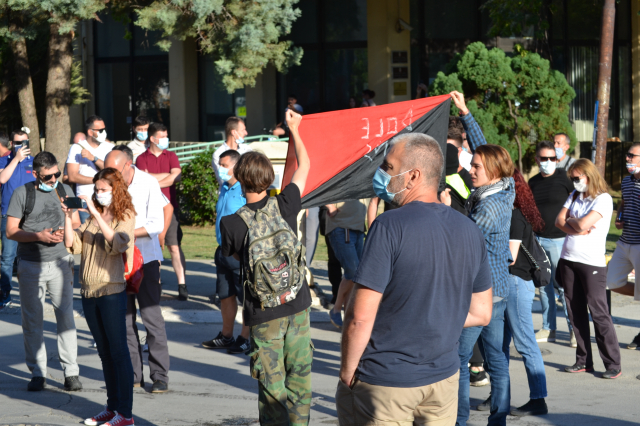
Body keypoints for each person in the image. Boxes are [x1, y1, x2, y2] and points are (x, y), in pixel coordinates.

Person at [337, 133, 493, 425]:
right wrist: (432, 318)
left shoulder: (387, 225)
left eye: (389, 166)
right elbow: (481, 312)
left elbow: (359, 316)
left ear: (413, 177)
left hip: (385, 382)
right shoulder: (469, 229)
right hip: (442, 382)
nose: (381, 172)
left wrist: (347, 372)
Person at [220, 109, 312, 424]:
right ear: (268, 178)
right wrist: (294, 129)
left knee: (272, 387)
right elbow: (306, 165)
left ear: (239, 179)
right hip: (297, 305)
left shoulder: (232, 224)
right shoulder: (287, 203)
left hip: (263, 312)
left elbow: (234, 258)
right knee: (300, 383)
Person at [445, 144, 515, 426]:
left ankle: (460, 421)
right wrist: (465, 114)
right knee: (496, 358)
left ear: (494, 171)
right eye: (471, 164)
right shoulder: (505, 187)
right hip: (497, 289)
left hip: (481, 293)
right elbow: (487, 146)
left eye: (477, 167)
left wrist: (446, 210)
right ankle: (498, 420)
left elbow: (463, 240)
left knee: (460, 360)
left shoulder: (488, 205)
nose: (469, 170)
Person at [63, 168, 136, 426]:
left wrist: (96, 214)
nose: (98, 194)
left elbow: (118, 244)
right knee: (104, 352)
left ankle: (125, 414)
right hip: (88, 290)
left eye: (103, 190)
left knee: (118, 352)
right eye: (96, 189)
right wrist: (69, 217)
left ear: (115, 189)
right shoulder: (93, 217)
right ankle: (111, 406)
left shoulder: (125, 214)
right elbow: (74, 244)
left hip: (111, 289)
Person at [6, 151, 82, 392]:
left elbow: (78, 222)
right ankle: (38, 373)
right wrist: (37, 236)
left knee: (66, 317)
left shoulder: (65, 190)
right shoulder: (22, 193)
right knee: (32, 320)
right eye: (48, 177)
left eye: (57, 174)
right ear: (35, 173)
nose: (54, 180)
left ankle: (71, 372)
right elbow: (10, 231)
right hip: (30, 264)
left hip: (61, 262)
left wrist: (64, 225)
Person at [104, 145, 171, 394]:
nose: (109, 173)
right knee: (125, 319)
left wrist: (123, 235)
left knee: (152, 318)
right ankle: (134, 374)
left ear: (128, 164)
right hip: (116, 259)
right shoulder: (108, 184)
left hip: (146, 260)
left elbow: (155, 224)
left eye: (113, 169)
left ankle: (160, 375)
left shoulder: (148, 183)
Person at [555, 159, 621, 379]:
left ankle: (612, 363)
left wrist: (573, 222)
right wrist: (576, 223)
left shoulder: (603, 199)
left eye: (577, 178)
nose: (574, 182)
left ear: (589, 175)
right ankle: (583, 360)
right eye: (572, 178)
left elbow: (583, 224)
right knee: (575, 313)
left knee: (599, 312)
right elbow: (558, 221)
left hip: (591, 262)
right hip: (568, 259)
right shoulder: (574, 196)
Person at [504, 169, 549, 417]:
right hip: (514, 283)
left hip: (516, 282)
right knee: (501, 343)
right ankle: (499, 396)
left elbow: (510, 257)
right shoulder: (516, 214)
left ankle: (538, 399)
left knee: (525, 343)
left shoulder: (514, 216)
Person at [201, 149, 251, 354]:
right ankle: (226, 336)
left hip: (240, 253)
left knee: (246, 297)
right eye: (219, 165)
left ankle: (246, 338)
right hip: (223, 250)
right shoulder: (224, 187)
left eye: (224, 165)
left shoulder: (245, 189)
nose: (220, 169)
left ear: (236, 167)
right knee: (225, 295)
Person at [528, 140, 575, 346]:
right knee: (544, 285)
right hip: (538, 240)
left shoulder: (565, 178)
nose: (548, 162)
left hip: (560, 240)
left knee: (565, 286)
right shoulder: (533, 182)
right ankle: (549, 328)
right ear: (537, 159)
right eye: (544, 158)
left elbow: (578, 203)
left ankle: (575, 329)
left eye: (552, 158)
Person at [136, 122, 187, 301]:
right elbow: (144, 180)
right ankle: (155, 283)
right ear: (152, 138)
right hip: (149, 209)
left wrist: (153, 178)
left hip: (170, 207)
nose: (166, 139)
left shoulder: (171, 155)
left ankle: (182, 284)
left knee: (174, 246)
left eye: (166, 136)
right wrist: (167, 176)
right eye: (162, 136)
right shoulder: (141, 158)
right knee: (153, 246)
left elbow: (175, 177)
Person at [607, 143, 640, 354]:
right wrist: (619, 216)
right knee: (611, 281)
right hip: (624, 241)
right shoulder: (627, 182)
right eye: (627, 156)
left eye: (632, 156)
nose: (627, 159)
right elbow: (624, 203)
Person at [0, 130, 34, 309]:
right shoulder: (4, 161)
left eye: (24, 142)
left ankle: (29, 294)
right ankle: (5, 294)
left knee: (29, 256)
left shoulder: (35, 161)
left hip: (30, 216)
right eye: (17, 143)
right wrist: (16, 159)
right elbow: (2, 178)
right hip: (8, 214)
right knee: (7, 257)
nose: (21, 146)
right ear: (12, 144)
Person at [325, 199, 368, 329]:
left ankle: (348, 316)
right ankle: (336, 309)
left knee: (355, 276)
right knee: (353, 273)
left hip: (358, 227)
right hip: (341, 226)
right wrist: (330, 205)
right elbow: (321, 183)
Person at [66, 115, 114, 224]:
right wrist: (98, 181)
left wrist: (94, 158)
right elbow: (72, 176)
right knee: (87, 236)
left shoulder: (110, 147)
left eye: (104, 129)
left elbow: (112, 171)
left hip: (107, 200)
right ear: (90, 132)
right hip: (85, 201)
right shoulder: (77, 148)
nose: (103, 132)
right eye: (100, 130)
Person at [212, 117, 252, 186]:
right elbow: (223, 179)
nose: (246, 133)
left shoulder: (247, 150)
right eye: (243, 130)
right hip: (227, 194)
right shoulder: (218, 154)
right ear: (234, 132)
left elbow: (252, 175)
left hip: (245, 195)